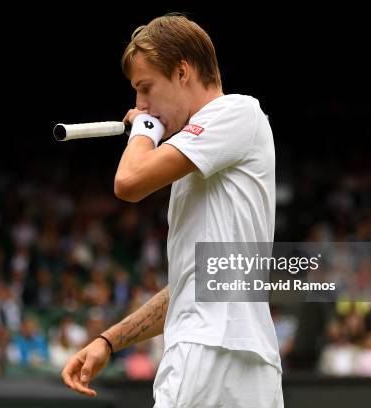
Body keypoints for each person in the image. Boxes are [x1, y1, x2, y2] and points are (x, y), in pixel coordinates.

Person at [62, 13, 283, 407]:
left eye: (145, 88)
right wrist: (109, 341)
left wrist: (145, 129)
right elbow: (194, 283)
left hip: (205, 353)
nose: (140, 103)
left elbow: (128, 183)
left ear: (182, 72)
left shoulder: (235, 111)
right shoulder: (210, 151)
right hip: (250, 363)